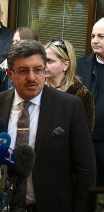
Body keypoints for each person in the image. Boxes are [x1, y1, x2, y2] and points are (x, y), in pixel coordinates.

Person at [0, 40, 96, 212]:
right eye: (23, 71)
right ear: (10, 74)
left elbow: (85, 168)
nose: (32, 77)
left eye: (38, 69)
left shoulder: (70, 106)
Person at [76, 17, 104, 186]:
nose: (94, 41)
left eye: (101, 36)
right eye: (93, 36)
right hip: (86, 140)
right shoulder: (81, 65)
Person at [45, 39, 95, 131]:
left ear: (66, 65)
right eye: (43, 60)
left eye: (49, 61)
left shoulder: (81, 94)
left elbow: (83, 135)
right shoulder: (36, 88)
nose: (43, 65)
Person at [0, 27, 39, 94]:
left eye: (17, 41)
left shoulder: (39, 67)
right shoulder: (6, 64)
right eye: (13, 41)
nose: (13, 44)